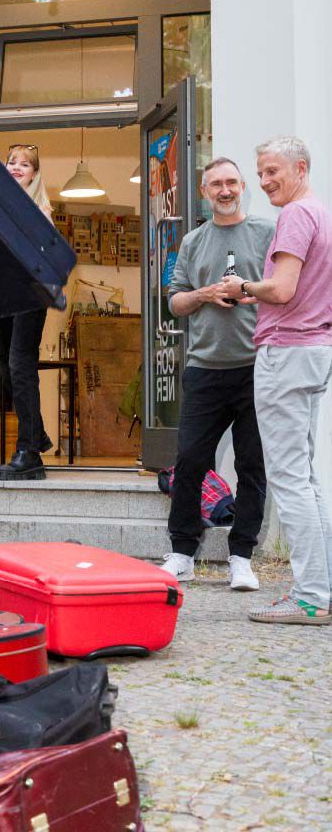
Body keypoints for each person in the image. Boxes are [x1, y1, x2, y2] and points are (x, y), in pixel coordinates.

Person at [220, 136, 332, 625]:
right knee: (305, 478)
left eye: (271, 172)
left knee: (289, 480)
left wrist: (243, 287)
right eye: (259, 172)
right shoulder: (322, 213)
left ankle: (310, 597)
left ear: (300, 167)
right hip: (313, 350)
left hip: (286, 353)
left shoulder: (296, 216)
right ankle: (322, 590)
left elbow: (282, 290)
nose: (264, 182)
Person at [161, 157, 275, 589]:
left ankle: (242, 557)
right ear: (204, 192)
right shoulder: (193, 240)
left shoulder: (266, 233)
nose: (224, 191)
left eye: (231, 183)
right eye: (215, 185)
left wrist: (246, 290)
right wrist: (206, 293)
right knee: (190, 461)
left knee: (251, 465)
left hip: (255, 367)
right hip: (205, 369)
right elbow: (174, 302)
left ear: (242, 186)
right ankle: (182, 553)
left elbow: (286, 287)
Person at [0, 144, 53, 481]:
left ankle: (29, 451)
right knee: (2, 359)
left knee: (20, 364)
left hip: (30, 291)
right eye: (11, 162)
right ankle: (38, 432)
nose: (16, 167)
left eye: (24, 164)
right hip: (1, 293)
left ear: (34, 174)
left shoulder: (39, 209)